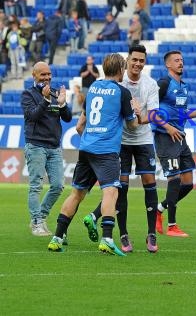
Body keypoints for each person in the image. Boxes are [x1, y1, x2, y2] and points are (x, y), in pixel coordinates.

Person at [47, 53, 140, 256]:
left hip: (86, 147)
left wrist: (91, 137)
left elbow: (81, 125)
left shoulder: (93, 89)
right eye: (124, 68)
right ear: (120, 69)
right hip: (106, 151)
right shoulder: (122, 92)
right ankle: (107, 238)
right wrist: (137, 111)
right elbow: (132, 125)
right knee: (110, 192)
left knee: (77, 193)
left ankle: (57, 237)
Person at [82, 45, 160, 253]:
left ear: (145, 62)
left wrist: (138, 115)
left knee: (149, 182)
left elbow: (153, 115)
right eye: (134, 60)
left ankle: (151, 234)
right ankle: (124, 235)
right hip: (121, 142)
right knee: (120, 187)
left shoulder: (150, 84)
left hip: (143, 140)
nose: (137, 64)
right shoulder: (118, 82)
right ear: (127, 61)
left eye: (141, 60)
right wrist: (133, 116)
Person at [153, 51, 196, 237]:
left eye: (182, 60)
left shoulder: (183, 87)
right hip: (165, 137)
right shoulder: (163, 84)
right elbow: (151, 111)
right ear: (168, 65)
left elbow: (181, 113)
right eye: (176, 61)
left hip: (180, 137)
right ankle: (172, 226)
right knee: (174, 180)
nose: (181, 63)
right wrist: (168, 128)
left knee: (188, 183)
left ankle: (159, 209)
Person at [22, 62, 72, 236]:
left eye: (49, 74)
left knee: (58, 186)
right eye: (43, 74)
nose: (47, 77)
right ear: (34, 75)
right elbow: (32, 116)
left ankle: (40, 217)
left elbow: (67, 118)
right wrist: (44, 100)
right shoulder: (27, 94)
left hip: (54, 146)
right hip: (35, 145)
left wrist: (63, 104)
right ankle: (36, 222)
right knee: (36, 186)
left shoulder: (55, 92)